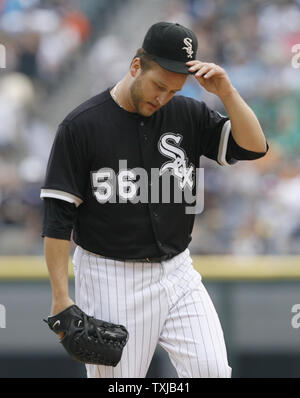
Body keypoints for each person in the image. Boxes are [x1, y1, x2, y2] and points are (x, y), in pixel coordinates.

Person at [40, 21, 268, 378]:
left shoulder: (187, 115)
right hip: (110, 275)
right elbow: (57, 218)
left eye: (174, 90)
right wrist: (60, 297)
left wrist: (226, 91)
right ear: (136, 66)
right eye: (158, 85)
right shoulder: (81, 125)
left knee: (213, 372)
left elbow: (254, 147)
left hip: (178, 271)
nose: (163, 97)